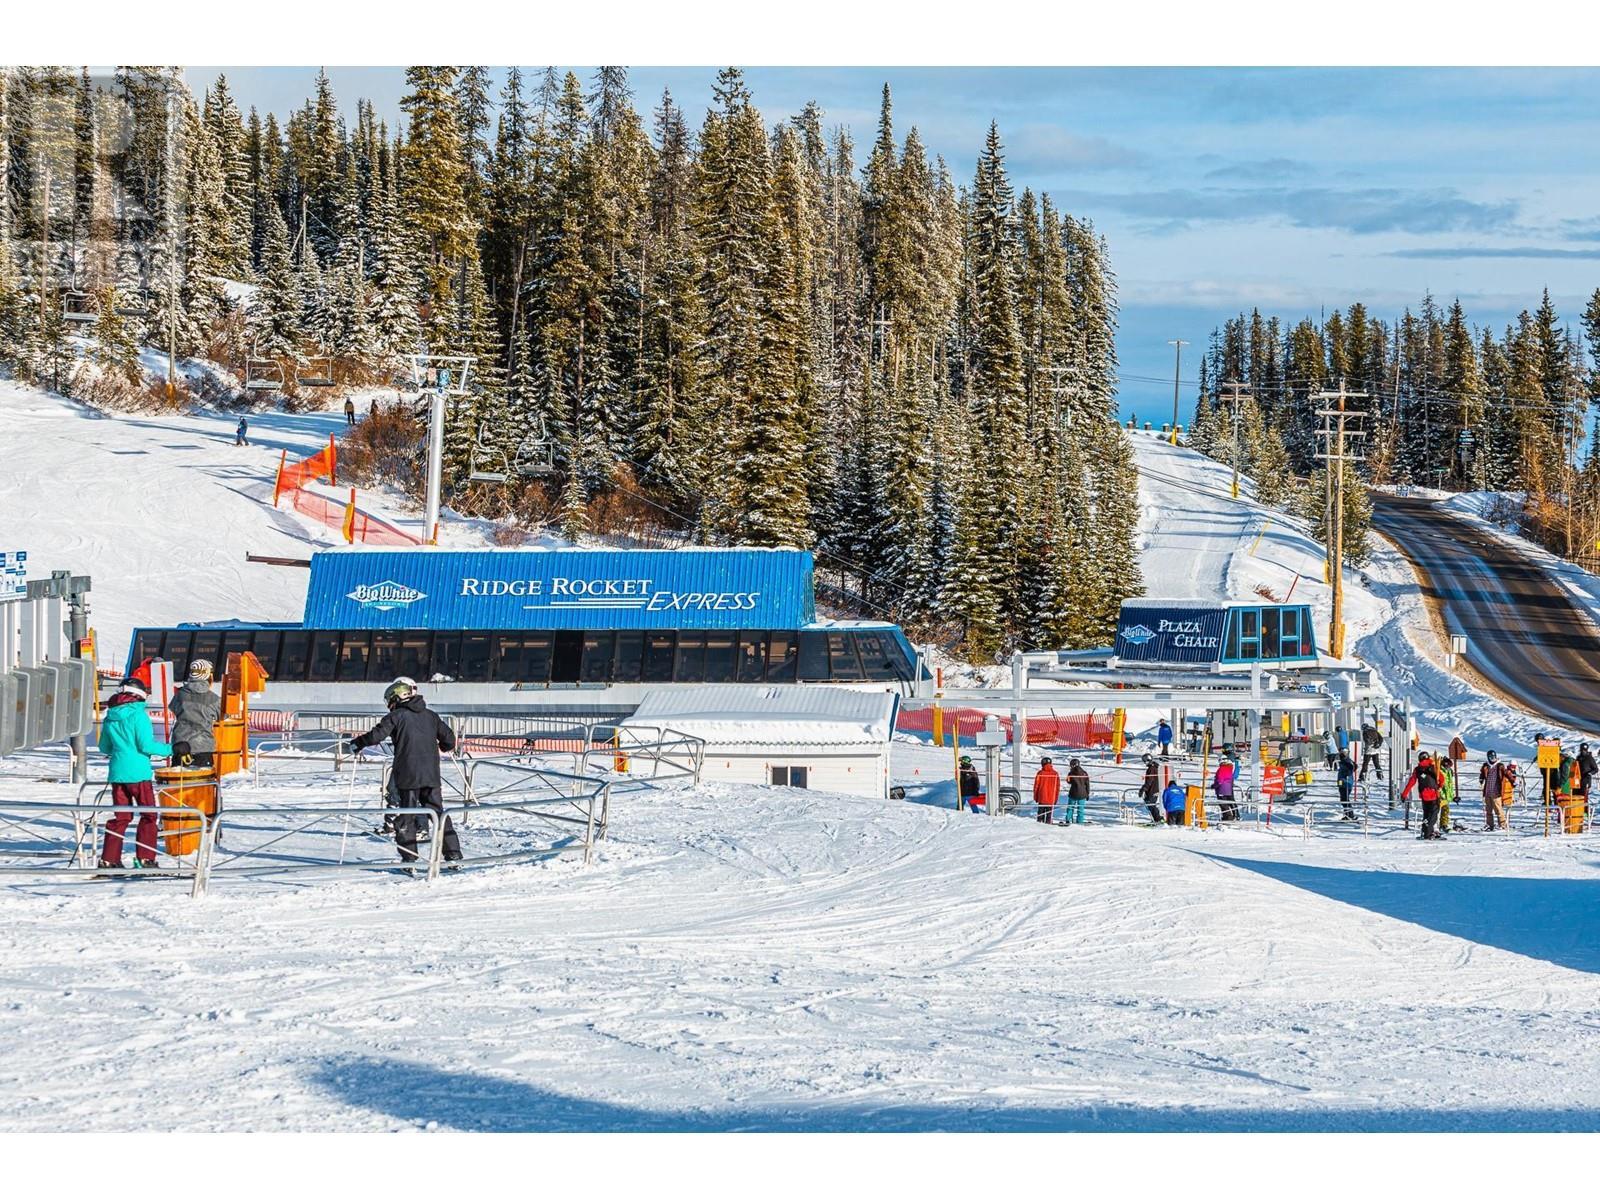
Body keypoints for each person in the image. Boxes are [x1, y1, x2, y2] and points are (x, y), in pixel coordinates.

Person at [348, 678, 462, 867]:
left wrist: (358, 743)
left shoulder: (396, 716)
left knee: (407, 816)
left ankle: (409, 859)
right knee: (439, 813)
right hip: (431, 775)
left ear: (396, 698)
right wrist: (443, 745)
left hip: (408, 775)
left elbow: (377, 735)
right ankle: (453, 854)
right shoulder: (431, 715)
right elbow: (449, 739)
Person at [96, 677, 174, 869]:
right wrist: (172, 749)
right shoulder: (139, 715)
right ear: (138, 695)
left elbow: (104, 747)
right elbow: (146, 745)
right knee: (149, 815)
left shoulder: (110, 716)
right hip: (138, 773)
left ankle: (109, 859)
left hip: (117, 774)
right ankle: (145, 858)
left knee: (121, 817)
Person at [168, 658, 221, 769]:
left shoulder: (180, 695)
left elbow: (173, 708)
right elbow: (223, 716)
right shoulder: (213, 699)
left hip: (180, 745)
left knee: (179, 783)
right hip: (203, 747)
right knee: (201, 783)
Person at [1401, 751, 1443, 840]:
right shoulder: (1434, 767)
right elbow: (1442, 778)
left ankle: (1425, 831)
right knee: (1433, 815)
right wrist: (1439, 786)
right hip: (1434, 795)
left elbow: (1411, 782)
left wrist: (1404, 794)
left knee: (1426, 814)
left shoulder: (1417, 769)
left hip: (1424, 796)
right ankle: (1428, 832)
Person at [1032, 756, 1061, 824]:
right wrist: (1055, 799)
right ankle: (1048, 829)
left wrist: (1036, 797)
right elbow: (1057, 788)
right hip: (1051, 799)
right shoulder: (1055, 774)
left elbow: (1036, 786)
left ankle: (1039, 828)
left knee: (1040, 816)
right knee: (1049, 817)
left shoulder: (1040, 773)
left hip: (1041, 798)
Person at [1065, 758, 1091, 825]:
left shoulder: (1071, 773)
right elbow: (1087, 784)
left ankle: (1068, 819)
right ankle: (1080, 821)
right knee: (1080, 809)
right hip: (1083, 794)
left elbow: (1068, 781)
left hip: (1073, 793)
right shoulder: (1084, 773)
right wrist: (1087, 793)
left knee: (1070, 807)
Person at [1213, 756, 1240, 821]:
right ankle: (1236, 815)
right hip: (1229, 788)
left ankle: (1228, 817)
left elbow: (1220, 780)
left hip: (1221, 789)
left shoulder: (1221, 769)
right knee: (1231, 802)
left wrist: (1214, 785)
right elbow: (1234, 776)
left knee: (1223, 804)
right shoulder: (1230, 768)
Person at [1140, 754, 1163, 823]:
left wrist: (1143, 789)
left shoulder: (1151, 769)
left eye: (1145, 761)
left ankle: (1158, 819)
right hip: (1155, 789)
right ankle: (1156, 819)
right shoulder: (1155, 767)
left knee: (1150, 803)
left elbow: (1149, 780)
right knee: (1150, 804)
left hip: (1152, 789)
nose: (1145, 763)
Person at [1437, 755, 1457, 834]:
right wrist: (1441, 793)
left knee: (1445, 810)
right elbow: (1441, 783)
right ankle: (1435, 825)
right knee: (1437, 810)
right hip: (1441, 794)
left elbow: (1449, 785)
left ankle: (1444, 824)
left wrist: (1452, 796)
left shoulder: (1448, 772)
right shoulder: (1440, 771)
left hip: (1446, 795)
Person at [1337, 748, 1358, 821]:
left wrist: (1347, 774)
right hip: (1342, 782)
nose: (1339, 754)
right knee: (1343, 799)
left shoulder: (1346, 761)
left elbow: (1351, 768)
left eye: (1341, 753)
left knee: (1345, 799)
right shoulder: (1344, 761)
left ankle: (1350, 815)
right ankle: (1347, 814)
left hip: (1346, 783)